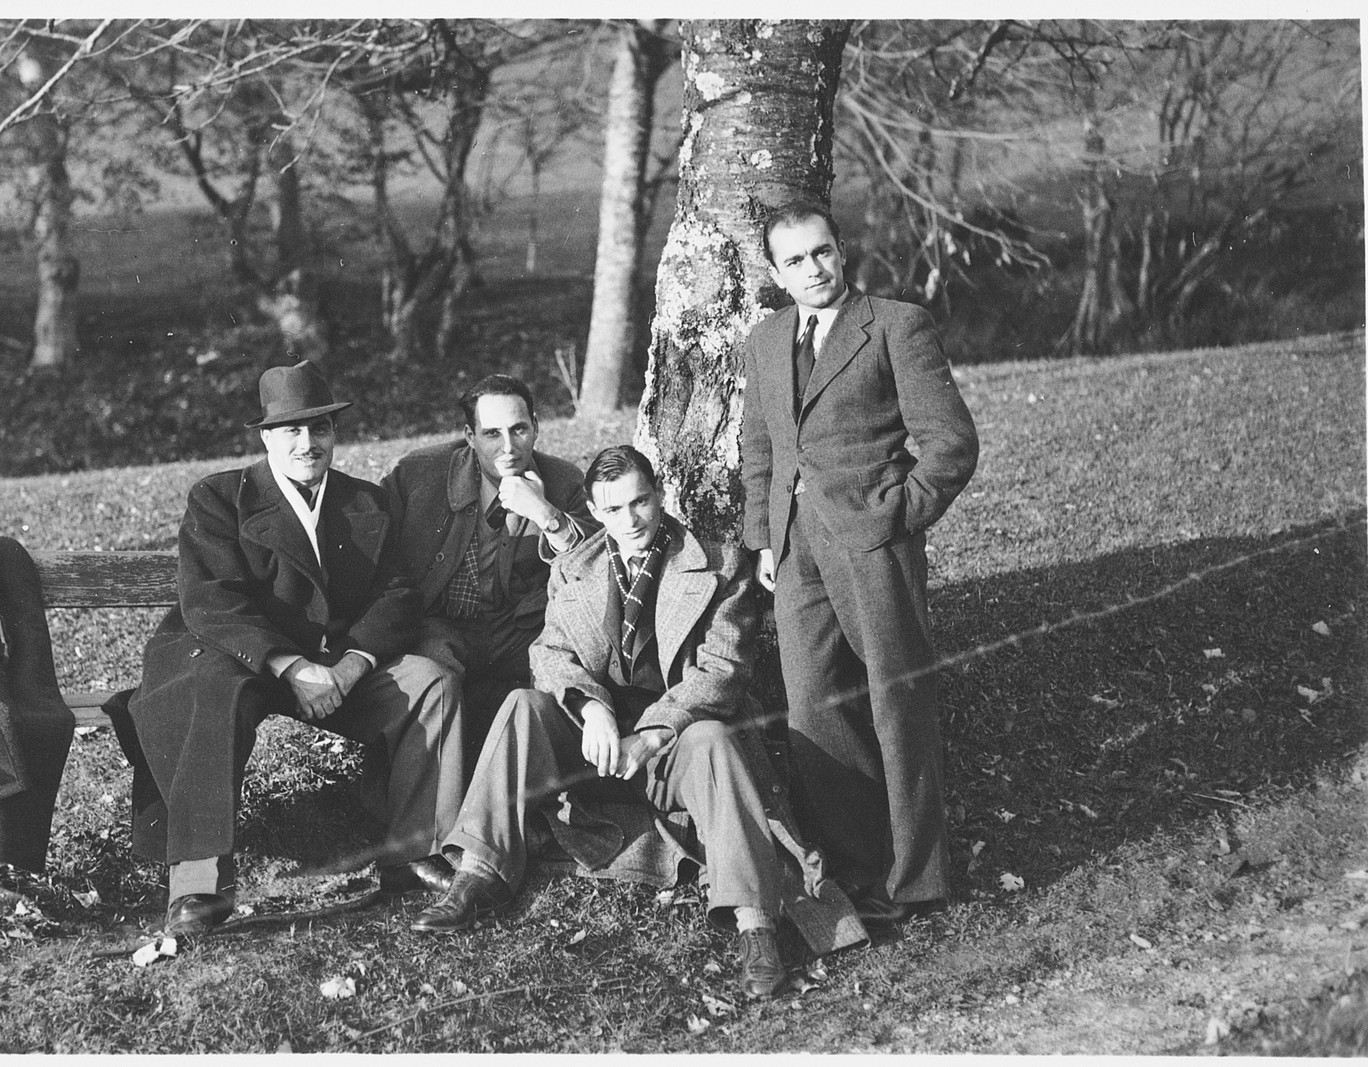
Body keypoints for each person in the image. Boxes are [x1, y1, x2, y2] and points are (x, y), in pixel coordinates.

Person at [408, 445, 849, 1000]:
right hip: (599, 743)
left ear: (660, 496)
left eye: (641, 502)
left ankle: (756, 926)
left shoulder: (718, 564)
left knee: (715, 738)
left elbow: (722, 673)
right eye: (614, 510)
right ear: (594, 510)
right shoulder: (577, 565)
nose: (631, 520)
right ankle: (480, 872)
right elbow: (550, 653)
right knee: (523, 705)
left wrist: (652, 734)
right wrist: (591, 708)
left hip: (678, 740)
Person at [125, 360, 468, 937]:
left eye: (320, 429)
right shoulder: (220, 498)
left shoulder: (366, 502)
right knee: (207, 694)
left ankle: (415, 848)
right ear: (265, 437)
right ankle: (199, 887)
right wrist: (291, 666)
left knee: (432, 681)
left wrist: (355, 664)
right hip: (241, 658)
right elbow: (211, 602)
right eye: (290, 431)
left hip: (338, 665)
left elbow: (397, 594)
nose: (307, 444)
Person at [739, 199, 979, 930]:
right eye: (795, 260)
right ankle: (856, 867)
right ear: (775, 273)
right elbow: (759, 447)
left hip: (872, 543)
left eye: (822, 252)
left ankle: (919, 879)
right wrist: (762, 539)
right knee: (813, 704)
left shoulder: (896, 324)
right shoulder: (767, 338)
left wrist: (893, 516)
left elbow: (951, 445)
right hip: (794, 549)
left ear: (841, 251)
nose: (813, 269)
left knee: (895, 702)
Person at [380, 374, 595, 765]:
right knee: (430, 682)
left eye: (519, 430)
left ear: (536, 427)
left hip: (517, 632)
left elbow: (598, 574)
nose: (509, 447)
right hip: (440, 623)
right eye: (492, 434)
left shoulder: (563, 482)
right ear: (469, 435)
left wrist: (548, 517)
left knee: (554, 687)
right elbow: (377, 552)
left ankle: (540, 800)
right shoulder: (420, 474)